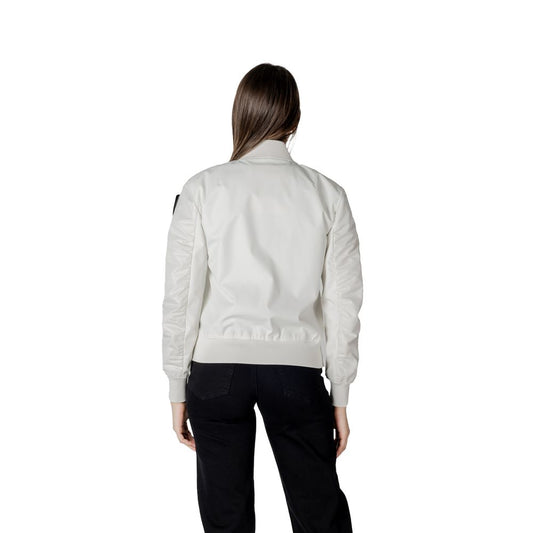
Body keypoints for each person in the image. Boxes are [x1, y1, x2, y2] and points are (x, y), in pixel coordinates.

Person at [162, 62, 364, 533]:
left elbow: (181, 296)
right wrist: (340, 395)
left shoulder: (202, 189)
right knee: (321, 518)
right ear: (295, 119)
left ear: (240, 115)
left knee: (226, 523)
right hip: (296, 373)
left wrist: (176, 387)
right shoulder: (328, 195)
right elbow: (343, 304)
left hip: (216, 372)